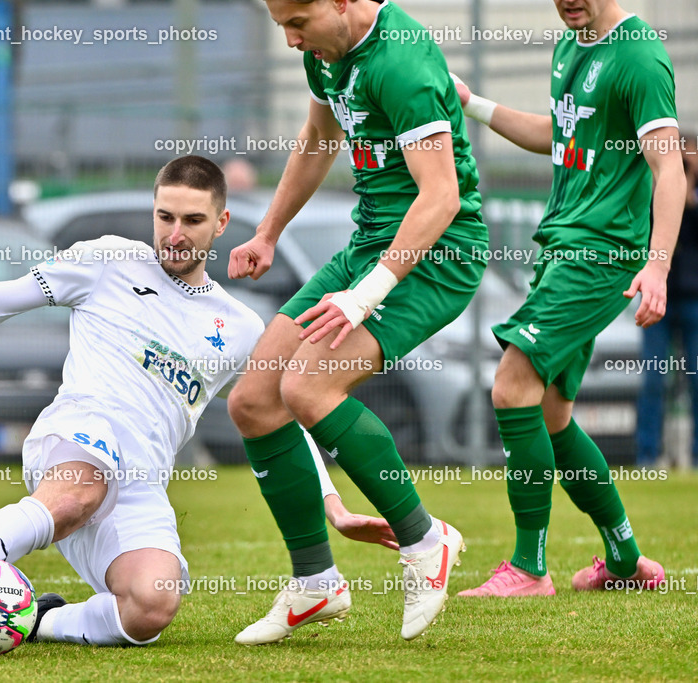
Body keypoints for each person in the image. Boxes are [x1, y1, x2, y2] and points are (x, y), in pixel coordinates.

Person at [0, 156, 396, 648]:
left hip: (142, 479)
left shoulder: (241, 325)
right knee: (79, 492)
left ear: (221, 224)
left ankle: (35, 622)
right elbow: (2, 298)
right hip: (76, 435)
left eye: (193, 221)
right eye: (165, 217)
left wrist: (333, 506)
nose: (175, 234)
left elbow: (275, 419)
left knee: (151, 607)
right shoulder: (108, 262)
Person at [226, 0, 489, 642]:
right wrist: (267, 232)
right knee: (255, 401)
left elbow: (442, 196)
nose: (290, 41)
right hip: (369, 244)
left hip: (436, 254)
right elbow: (318, 143)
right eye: (280, 27)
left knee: (308, 388)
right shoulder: (327, 53)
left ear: (341, 2)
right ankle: (316, 583)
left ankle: (427, 543)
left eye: (297, 23)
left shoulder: (400, 62)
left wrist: (364, 295)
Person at [454, 0, 684, 597]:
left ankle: (529, 569)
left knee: (511, 385)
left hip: (601, 252)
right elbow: (556, 137)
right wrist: (473, 103)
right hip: (563, 247)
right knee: (552, 414)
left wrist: (657, 265)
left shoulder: (639, 55)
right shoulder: (572, 43)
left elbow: (669, 167)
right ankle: (626, 560)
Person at [636, 137, 698, 468]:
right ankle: (646, 454)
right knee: (652, 377)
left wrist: (688, 197)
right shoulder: (654, 191)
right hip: (659, 297)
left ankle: (695, 456)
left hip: (693, 299)